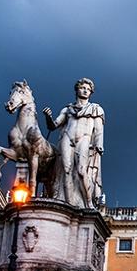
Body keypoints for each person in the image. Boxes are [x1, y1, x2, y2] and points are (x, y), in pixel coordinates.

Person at [44, 77, 105, 208]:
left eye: (88, 89)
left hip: (84, 139)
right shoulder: (67, 109)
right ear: (77, 90)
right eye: (83, 88)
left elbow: (99, 130)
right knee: (65, 169)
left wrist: (99, 146)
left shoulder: (96, 109)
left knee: (82, 171)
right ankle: (68, 203)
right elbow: (53, 126)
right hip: (67, 137)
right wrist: (48, 117)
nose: (85, 91)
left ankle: (88, 202)